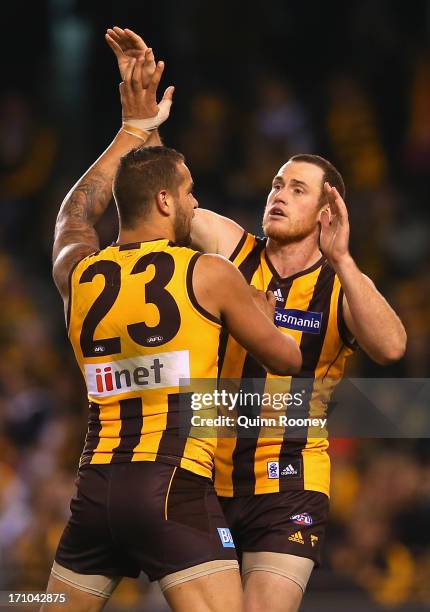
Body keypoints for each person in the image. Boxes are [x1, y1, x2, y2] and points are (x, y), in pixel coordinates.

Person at [105, 28, 407, 612]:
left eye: (297, 189)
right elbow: (165, 196)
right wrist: (142, 119)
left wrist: (345, 257)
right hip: (202, 478)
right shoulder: (232, 247)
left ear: (326, 213)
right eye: (275, 183)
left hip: (289, 478)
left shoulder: (341, 284)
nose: (278, 193)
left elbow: (392, 347)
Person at [43, 48, 302, 612]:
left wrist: (132, 131)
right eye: (187, 192)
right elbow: (286, 359)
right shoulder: (209, 274)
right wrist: (263, 303)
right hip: (173, 488)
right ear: (164, 200)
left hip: (96, 492)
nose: (194, 200)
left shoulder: (79, 273)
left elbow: (73, 217)